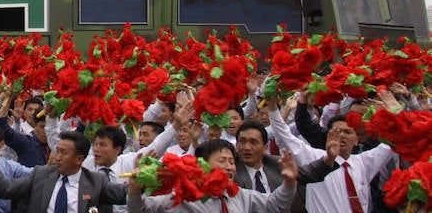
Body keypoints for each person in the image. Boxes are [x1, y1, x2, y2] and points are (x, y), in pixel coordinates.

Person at [267, 94, 396, 213]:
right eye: (336, 131)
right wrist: (273, 108)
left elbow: (395, 141)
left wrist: (396, 112)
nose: (341, 136)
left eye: (347, 132)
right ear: (328, 135)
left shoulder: (363, 162)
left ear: (357, 139)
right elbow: (283, 134)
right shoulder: (313, 157)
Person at [126, 139, 298, 212]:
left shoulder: (241, 196)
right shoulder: (182, 197)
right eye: (222, 161)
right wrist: (134, 190)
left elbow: (275, 205)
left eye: (231, 162)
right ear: (203, 165)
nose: (229, 167)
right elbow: (141, 210)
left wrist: (289, 183)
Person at [0, 130, 127, 213]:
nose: (57, 157)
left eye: (64, 153)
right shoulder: (41, 175)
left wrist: (143, 179)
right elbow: (6, 189)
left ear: (79, 159)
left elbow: (123, 194)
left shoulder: (96, 181)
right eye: (57, 151)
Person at [233, 119, 337, 213]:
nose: (246, 147)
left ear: (265, 148)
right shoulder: (231, 171)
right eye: (242, 142)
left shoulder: (277, 164)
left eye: (253, 142)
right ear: (236, 146)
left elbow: (309, 172)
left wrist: (329, 157)